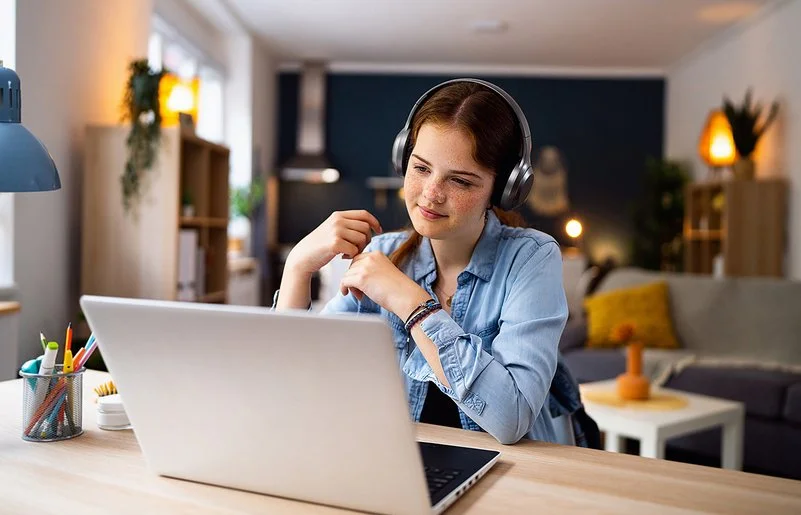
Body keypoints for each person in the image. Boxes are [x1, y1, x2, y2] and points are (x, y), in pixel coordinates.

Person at [274, 79, 569, 445]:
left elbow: (511, 418)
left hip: (512, 470)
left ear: (504, 190)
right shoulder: (383, 255)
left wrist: (411, 303)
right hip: (403, 461)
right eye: (421, 168)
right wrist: (297, 268)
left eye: (460, 181)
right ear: (404, 159)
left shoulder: (532, 258)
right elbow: (293, 382)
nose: (432, 194)